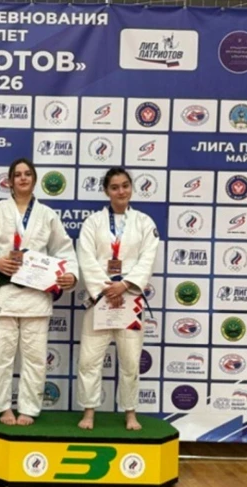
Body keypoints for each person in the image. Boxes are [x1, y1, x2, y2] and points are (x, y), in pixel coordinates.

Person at [0, 158, 78, 426]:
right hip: (4, 293)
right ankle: (2, 406)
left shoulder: (47, 215)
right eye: (17, 175)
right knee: (1, 356)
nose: (23, 178)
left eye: (28, 174)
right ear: (9, 181)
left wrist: (71, 275)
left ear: (35, 179)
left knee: (35, 357)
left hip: (35, 295)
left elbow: (64, 249)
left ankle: (28, 408)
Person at [76, 167, 160, 431]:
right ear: (106, 191)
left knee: (131, 361)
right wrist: (106, 288)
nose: (121, 191)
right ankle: (89, 411)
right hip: (100, 299)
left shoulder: (145, 223)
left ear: (131, 188)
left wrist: (123, 285)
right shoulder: (93, 223)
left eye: (125, 186)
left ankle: (130, 412)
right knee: (89, 360)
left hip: (129, 300)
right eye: (114, 187)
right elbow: (86, 257)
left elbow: (148, 258)